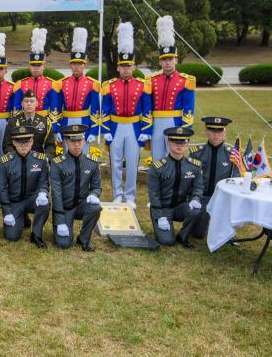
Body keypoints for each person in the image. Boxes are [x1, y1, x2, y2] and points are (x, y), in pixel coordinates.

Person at [101, 22, 152, 207]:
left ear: (134, 65)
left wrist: (146, 129)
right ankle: (117, 194)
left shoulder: (142, 85)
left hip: (134, 127)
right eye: (122, 66)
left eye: (128, 66)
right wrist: (105, 129)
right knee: (115, 162)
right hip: (115, 127)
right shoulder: (110, 85)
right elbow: (105, 109)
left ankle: (130, 196)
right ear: (118, 67)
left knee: (132, 162)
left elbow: (147, 109)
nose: (125, 69)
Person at [147, 126, 205, 248]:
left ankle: (183, 236)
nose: (179, 145)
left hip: (181, 207)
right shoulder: (157, 167)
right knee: (167, 241)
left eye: (183, 142)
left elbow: (198, 187)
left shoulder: (194, 166)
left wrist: (195, 199)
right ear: (169, 143)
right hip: (163, 208)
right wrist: (159, 214)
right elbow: (154, 194)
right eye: (175, 142)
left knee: (196, 211)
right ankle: (160, 223)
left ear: (187, 144)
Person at [149, 16, 196, 161]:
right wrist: (147, 127)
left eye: (170, 59)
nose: (167, 63)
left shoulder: (186, 81)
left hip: (175, 122)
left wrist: (184, 130)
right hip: (156, 123)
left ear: (176, 59)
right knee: (157, 157)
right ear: (160, 61)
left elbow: (189, 108)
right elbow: (148, 107)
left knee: (175, 156)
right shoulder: (151, 81)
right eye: (164, 60)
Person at [50, 124, 103, 252]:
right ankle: (60, 226)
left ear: (84, 141)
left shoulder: (92, 162)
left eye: (79, 140)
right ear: (66, 142)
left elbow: (97, 187)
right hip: (64, 208)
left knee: (95, 208)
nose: (76, 144)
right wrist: (60, 220)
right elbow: (56, 194)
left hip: (81, 206)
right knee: (63, 244)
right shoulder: (57, 164)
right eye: (72, 141)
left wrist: (94, 195)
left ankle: (84, 239)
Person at [0, 126, 50, 247]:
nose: (23, 145)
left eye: (27, 141)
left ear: (32, 142)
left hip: (32, 199)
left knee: (45, 204)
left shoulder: (40, 159)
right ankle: (23, 217)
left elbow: (44, 182)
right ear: (14, 142)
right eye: (20, 142)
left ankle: (36, 234)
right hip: (14, 201)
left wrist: (42, 192)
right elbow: (2, 188)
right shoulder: (5, 161)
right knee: (12, 237)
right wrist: (7, 211)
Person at [188, 117, 238, 239]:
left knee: (222, 234)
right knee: (198, 234)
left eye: (219, 131)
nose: (216, 134)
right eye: (212, 131)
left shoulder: (232, 153)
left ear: (224, 133)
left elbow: (237, 178)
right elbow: (190, 178)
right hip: (202, 197)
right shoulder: (196, 153)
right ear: (206, 132)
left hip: (221, 198)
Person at [54, 27, 100, 149]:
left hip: (84, 122)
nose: (76, 67)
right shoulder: (61, 83)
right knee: (67, 154)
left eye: (79, 64)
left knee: (83, 155)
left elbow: (95, 110)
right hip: (66, 122)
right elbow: (57, 109)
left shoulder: (92, 84)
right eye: (74, 64)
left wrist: (94, 131)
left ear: (85, 65)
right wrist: (57, 129)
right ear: (70, 65)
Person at [12, 27, 60, 123]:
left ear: (44, 66)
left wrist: (53, 127)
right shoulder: (20, 84)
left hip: (45, 121)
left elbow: (55, 107)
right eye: (33, 65)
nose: (36, 68)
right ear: (29, 66)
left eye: (39, 65)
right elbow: (16, 107)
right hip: (25, 121)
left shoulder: (52, 84)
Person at [3, 90, 56, 158]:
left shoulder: (45, 122)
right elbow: (7, 144)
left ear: (37, 103)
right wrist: (13, 158)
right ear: (22, 104)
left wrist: (46, 159)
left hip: (38, 160)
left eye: (32, 101)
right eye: (26, 101)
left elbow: (50, 145)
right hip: (17, 159)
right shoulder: (13, 122)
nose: (29, 104)